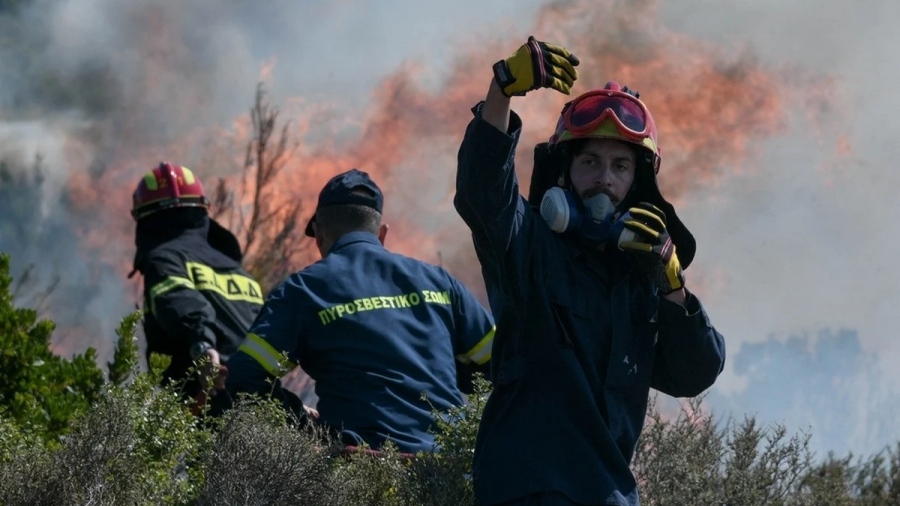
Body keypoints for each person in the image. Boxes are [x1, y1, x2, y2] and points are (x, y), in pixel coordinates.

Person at [454, 36, 727, 505]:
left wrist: (674, 288)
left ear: (636, 183)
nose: (605, 178)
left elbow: (692, 375)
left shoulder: (643, 281)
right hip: (531, 489)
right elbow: (484, 197)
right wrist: (502, 89)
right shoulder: (530, 247)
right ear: (564, 173)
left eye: (620, 166)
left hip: (609, 495)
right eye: (590, 162)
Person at [223, 168, 495, 454]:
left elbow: (244, 376)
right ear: (382, 233)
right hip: (447, 470)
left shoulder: (302, 291)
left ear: (318, 235)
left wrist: (305, 424)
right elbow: (504, 363)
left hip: (359, 468)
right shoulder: (440, 283)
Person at [130, 162, 263, 403]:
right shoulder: (239, 272)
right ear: (201, 212)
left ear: (144, 221)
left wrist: (203, 350)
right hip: (260, 402)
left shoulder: (163, 259)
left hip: (207, 399)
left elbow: (183, 303)